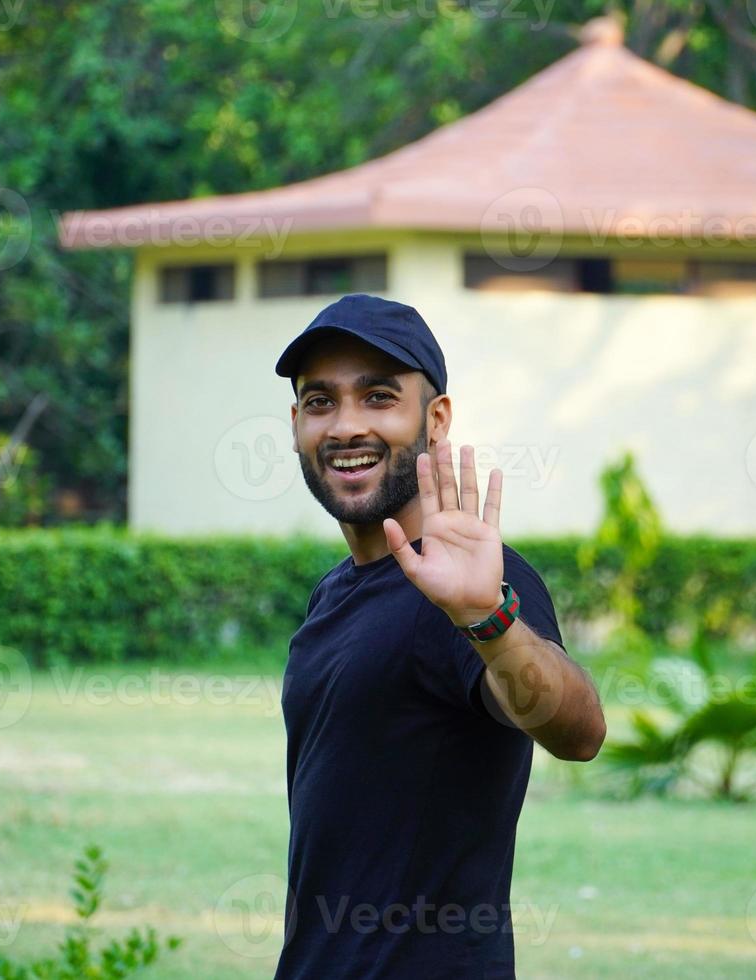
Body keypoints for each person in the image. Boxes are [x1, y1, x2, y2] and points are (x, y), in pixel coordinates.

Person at [271, 294, 605, 979]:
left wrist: (487, 619)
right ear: (298, 423)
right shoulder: (334, 593)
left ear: (437, 419)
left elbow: (578, 731)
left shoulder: (478, 585)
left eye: (379, 397)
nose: (346, 427)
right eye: (320, 402)